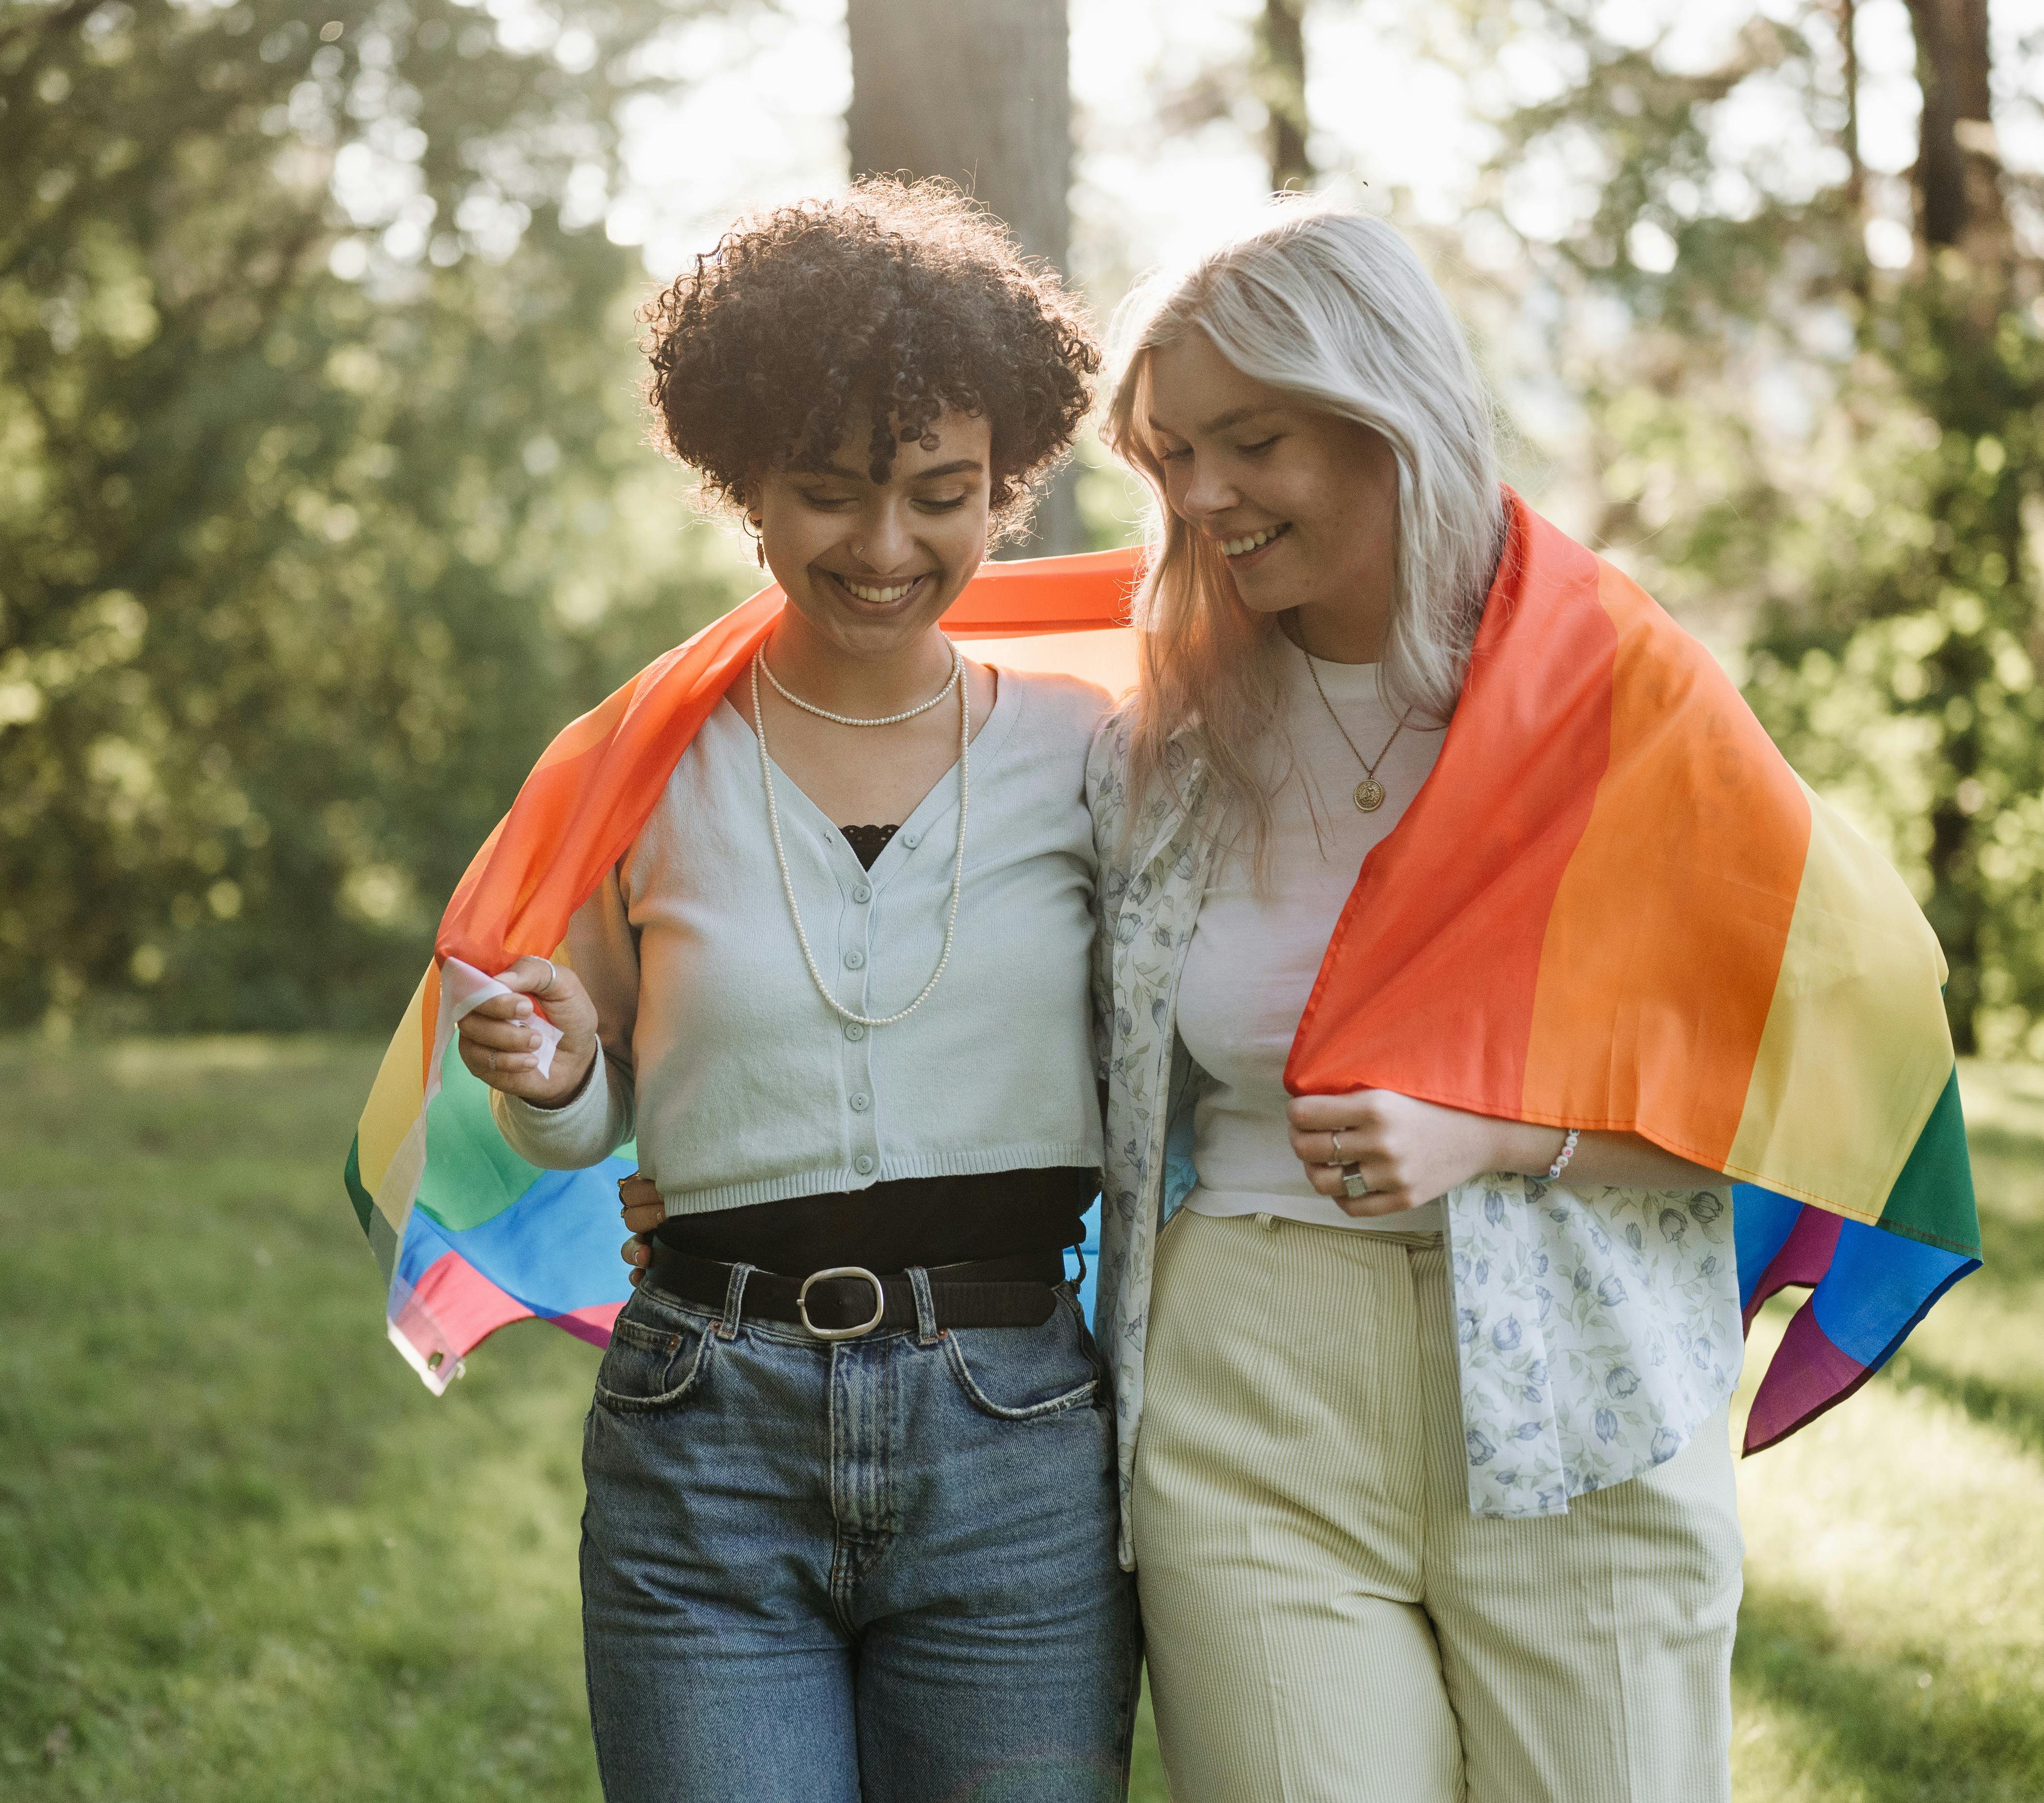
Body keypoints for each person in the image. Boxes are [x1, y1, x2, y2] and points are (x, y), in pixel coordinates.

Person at [455, 183, 1138, 1803]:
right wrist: (553, 1076)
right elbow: (597, 1113)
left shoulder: (1095, 761)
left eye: (941, 495)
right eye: (829, 494)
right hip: (705, 1431)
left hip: (1017, 1431)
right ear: (744, 487)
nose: (886, 548)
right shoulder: (648, 771)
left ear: (1006, 488)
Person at [1088, 207, 1750, 1801]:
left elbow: (1781, 1091)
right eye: (1175, 453)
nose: (1202, 497)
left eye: (1252, 441)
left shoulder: (1618, 704)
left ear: (1388, 418)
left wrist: (1500, 1137)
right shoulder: (1165, 744)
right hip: (1249, 1395)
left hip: (1573, 1390)